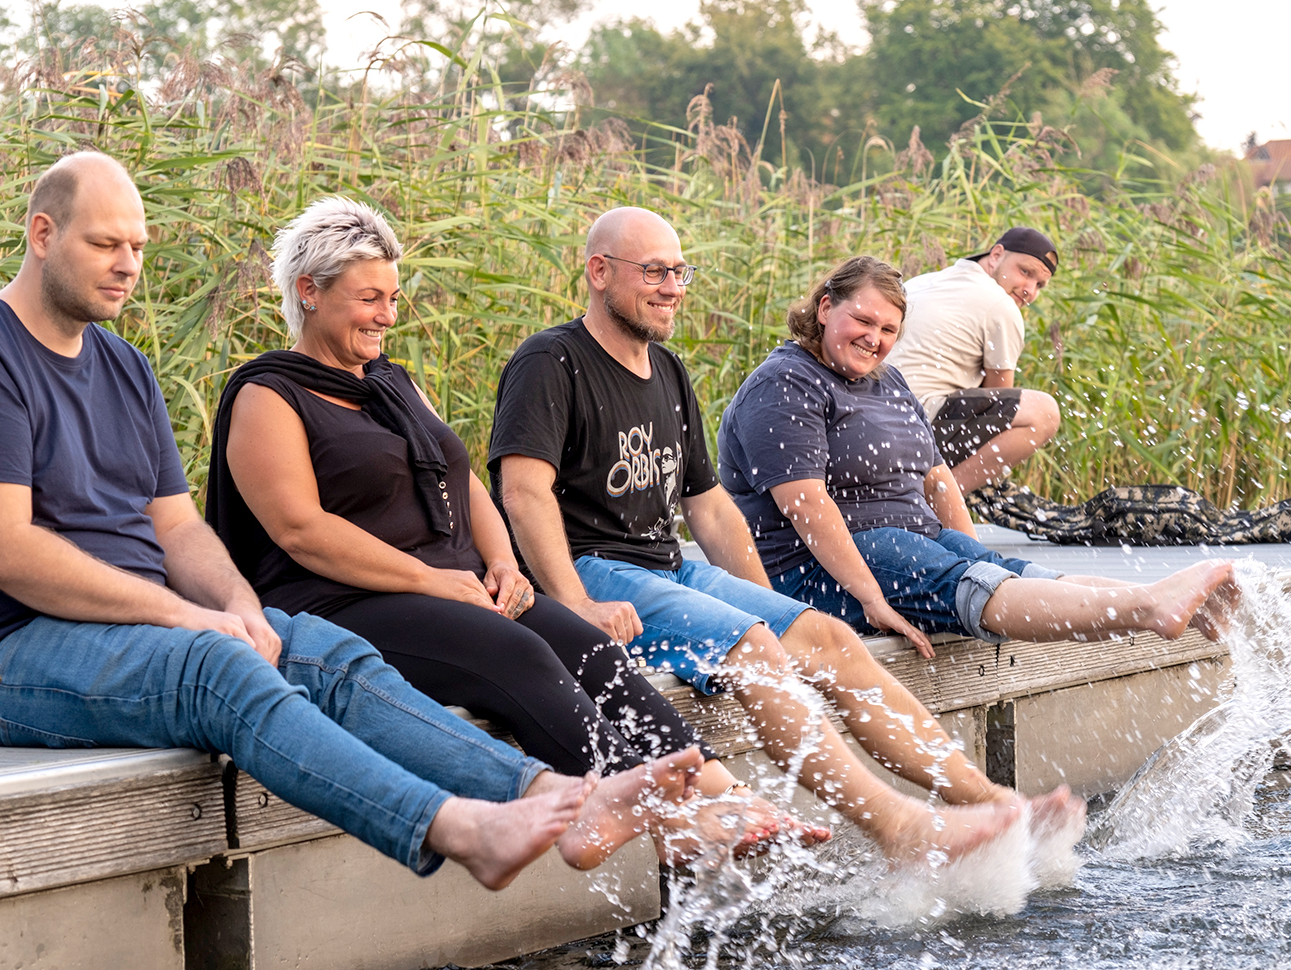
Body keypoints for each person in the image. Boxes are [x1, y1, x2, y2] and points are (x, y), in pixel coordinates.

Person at [0, 152, 699, 891]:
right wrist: (185, 615)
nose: (130, 266)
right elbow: (3, 551)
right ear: (43, 234)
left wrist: (238, 606)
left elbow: (177, 530)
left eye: (138, 246)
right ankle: (458, 828)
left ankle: (550, 794)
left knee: (320, 649)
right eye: (108, 244)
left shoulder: (122, 364)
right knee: (217, 669)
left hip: (129, 629)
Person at [205, 196, 823, 862]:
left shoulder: (392, 383)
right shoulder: (266, 394)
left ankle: (715, 789)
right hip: (342, 600)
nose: (388, 314)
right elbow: (301, 530)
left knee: (590, 649)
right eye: (369, 299)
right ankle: (656, 816)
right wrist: (434, 582)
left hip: (450, 584)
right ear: (309, 291)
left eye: (392, 296)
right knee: (520, 654)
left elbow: (462, 478)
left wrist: (501, 561)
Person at [488, 207, 1082, 869]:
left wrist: (768, 608)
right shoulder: (553, 360)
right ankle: (899, 830)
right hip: (593, 568)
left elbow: (709, 510)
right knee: (754, 650)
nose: (671, 287)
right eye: (653, 271)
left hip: (666, 567)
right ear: (599, 272)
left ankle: (989, 803)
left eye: (679, 272)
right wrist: (573, 601)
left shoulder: (668, 372)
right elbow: (523, 491)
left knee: (825, 636)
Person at [716, 255, 1240, 651]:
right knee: (969, 579)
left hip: (905, 545)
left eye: (888, 330)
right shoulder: (786, 382)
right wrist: (872, 599)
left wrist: (974, 554)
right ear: (825, 307)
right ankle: (1150, 607)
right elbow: (806, 503)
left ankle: (1174, 606)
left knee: (1007, 570)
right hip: (819, 570)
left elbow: (938, 481)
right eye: (863, 321)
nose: (874, 339)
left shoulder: (889, 382)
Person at [889, 227, 1064, 503]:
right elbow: (1000, 401)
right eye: (1026, 272)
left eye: (1040, 285)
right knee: (1044, 413)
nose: (1030, 290)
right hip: (916, 425)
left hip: (877, 420)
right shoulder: (1000, 304)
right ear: (996, 255)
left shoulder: (921, 282)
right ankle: (937, 503)